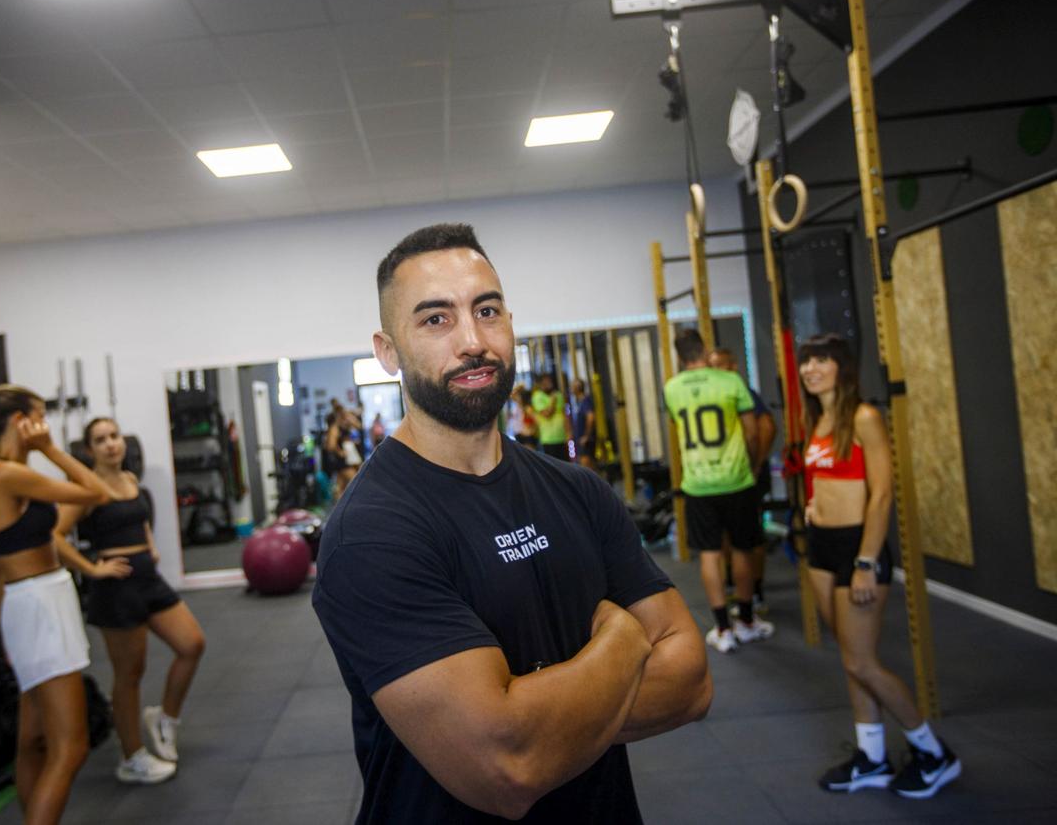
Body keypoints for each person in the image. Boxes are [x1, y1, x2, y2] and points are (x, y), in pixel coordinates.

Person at [312, 223, 710, 823]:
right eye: (435, 319)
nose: (473, 341)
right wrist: (623, 640)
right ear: (388, 351)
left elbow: (691, 681)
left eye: (487, 310)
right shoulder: (371, 533)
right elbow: (506, 766)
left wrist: (539, 720)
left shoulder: (578, 491)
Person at [799, 334, 961, 797]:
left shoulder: (864, 417)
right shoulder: (818, 418)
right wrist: (813, 505)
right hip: (821, 548)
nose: (811, 369)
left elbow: (882, 494)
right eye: (806, 362)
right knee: (850, 660)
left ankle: (933, 751)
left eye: (822, 360)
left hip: (857, 550)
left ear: (842, 367)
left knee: (862, 661)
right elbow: (825, 478)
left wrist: (867, 560)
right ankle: (872, 758)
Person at [0, 385, 114, 825]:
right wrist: (50, 448)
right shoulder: (8, 474)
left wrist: (8, 627)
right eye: (40, 417)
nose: (45, 426)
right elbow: (95, 492)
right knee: (71, 747)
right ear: (19, 422)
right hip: (42, 605)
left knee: (32, 741)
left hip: (25, 608)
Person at [55, 418, 206, 785]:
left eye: (114, 436)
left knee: (192, 644)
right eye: (101, 440)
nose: (111, 444)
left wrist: (150, 546)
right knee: (130, 675)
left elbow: (141, 522)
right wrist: (92, 569)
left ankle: (164, 719)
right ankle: (132, 757)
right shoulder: (86, 488)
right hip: (116, 589)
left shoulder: (130, 481)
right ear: (89, 450)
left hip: (148, 580)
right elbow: (54, 537)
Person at [663, 329, 774, 653]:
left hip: (698, 485)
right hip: (736, 480)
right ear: (705, 349)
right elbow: (752, 433)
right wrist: (752, 466)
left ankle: (723, 628)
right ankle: (748, 622)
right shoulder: (730, 381)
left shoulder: (672, 389)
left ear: (681, 357)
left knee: (710, 555)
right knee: (741, 550)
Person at [708, 347, 777, 612]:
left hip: (747, 477)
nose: (716, 372)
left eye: (721, 366)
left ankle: (756, 592)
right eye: (711, 367)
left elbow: (767, 427)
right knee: (728, 538)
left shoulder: (742, 391)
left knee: (749, 539)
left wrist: (755, 464)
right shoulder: (719, 396)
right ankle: (738, 588)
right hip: (727, 477)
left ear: (733, 366)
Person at [531, 373, 569, 459]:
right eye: (546, 382)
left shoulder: (558, 395)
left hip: (562, 437)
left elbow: (565, 415)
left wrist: (569, 433)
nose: (549, 384)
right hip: (548, 439)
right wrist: (553, 401)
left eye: (549, 381)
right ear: (541, 384)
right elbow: (547, 414)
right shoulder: (537, 397)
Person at [571, 378, 597, 469]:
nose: (571, 389)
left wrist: (586, 435)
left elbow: (591, 418)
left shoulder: (586, 401)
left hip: (585, 440)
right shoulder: (578, 402)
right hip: (579, 439)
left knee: (587, 466)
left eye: (573, 387)